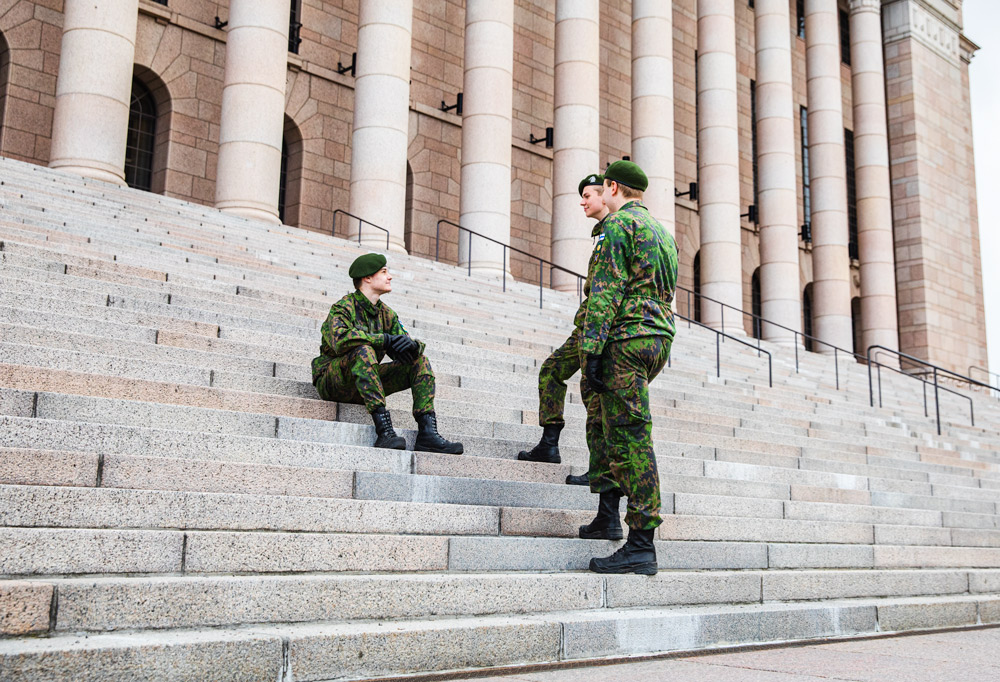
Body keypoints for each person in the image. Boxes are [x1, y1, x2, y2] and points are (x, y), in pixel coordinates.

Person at [577, 160, 677, 575]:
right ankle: (615, 521)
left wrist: (592, 350)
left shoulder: (620, 226)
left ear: (613, 187)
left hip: (626, 339)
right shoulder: (662, 233)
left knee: (631, 439)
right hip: (657, 338)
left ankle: (640, 544)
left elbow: (606, 291)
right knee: (620, 428)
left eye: (602, 187)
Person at [311, 253, 464, 454]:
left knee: (419, 361)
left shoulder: (387, 314)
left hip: (364, 384)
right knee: (364, 351)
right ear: (367, 278)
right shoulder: (343, 308)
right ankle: (384, 432)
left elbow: (406, 341)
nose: (390, 276)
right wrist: (384, 339)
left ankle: (428, 433)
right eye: (384, 272)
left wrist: (411, 346)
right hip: (334, 382)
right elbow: (340, 340)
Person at [518, 174, 609, 489]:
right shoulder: (601, 233)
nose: (582, 201)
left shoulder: (616, 231)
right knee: (552, 369)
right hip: (585, 324)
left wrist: (598, 342)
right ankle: (549, 443)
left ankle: (599, 470)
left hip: (599, 328)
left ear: (606, 194)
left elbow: (606, 292)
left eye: (587, 195)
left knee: (593, 398)